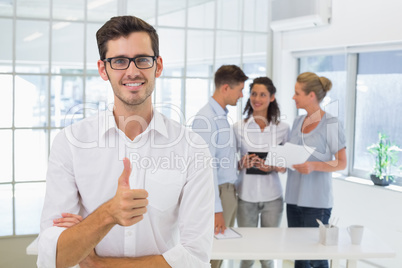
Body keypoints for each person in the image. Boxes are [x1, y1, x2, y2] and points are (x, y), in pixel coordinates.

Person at [37, 15, 214, 268]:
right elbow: (53, 258)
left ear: (158, 65)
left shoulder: (192, 147)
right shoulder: (71, 143)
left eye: (142, 59)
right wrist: (108, 213)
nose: (132, 71)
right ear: (103, 69)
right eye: (119, 61)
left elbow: (195, 258)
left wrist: (97, 263)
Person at [285, 72, 347, 268]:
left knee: (317, 257)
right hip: (293, 199)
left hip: (317, 202)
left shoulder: (331, 124)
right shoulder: (297, 122)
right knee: (299, 256)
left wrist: (314, 166)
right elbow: (293, 155)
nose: (293, 97)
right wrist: (282, 162)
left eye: (297, 93)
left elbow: (342, 162)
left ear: (311, 95)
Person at [191, 65, 248, 268]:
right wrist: (216, 209)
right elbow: (206, 168)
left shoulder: (221, 117)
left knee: (220, 252)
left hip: (228, 192)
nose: (242, 95)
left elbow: (220, 158)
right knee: (212, 254)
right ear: (225, 88)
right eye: (240, 89)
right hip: (218, 195)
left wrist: (238, 165)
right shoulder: (206, 119)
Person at [233, 77, 289, 268]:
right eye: (254, 93)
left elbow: (286, 164)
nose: (257, 98)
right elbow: (228, 162)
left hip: (273, 197)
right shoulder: (238, 127)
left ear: (272, 97)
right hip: (245, 196)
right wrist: (241, 162)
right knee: (246, 253)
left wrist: (272, 165)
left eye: (262, 94)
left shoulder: (282, 129)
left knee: (268, 253)